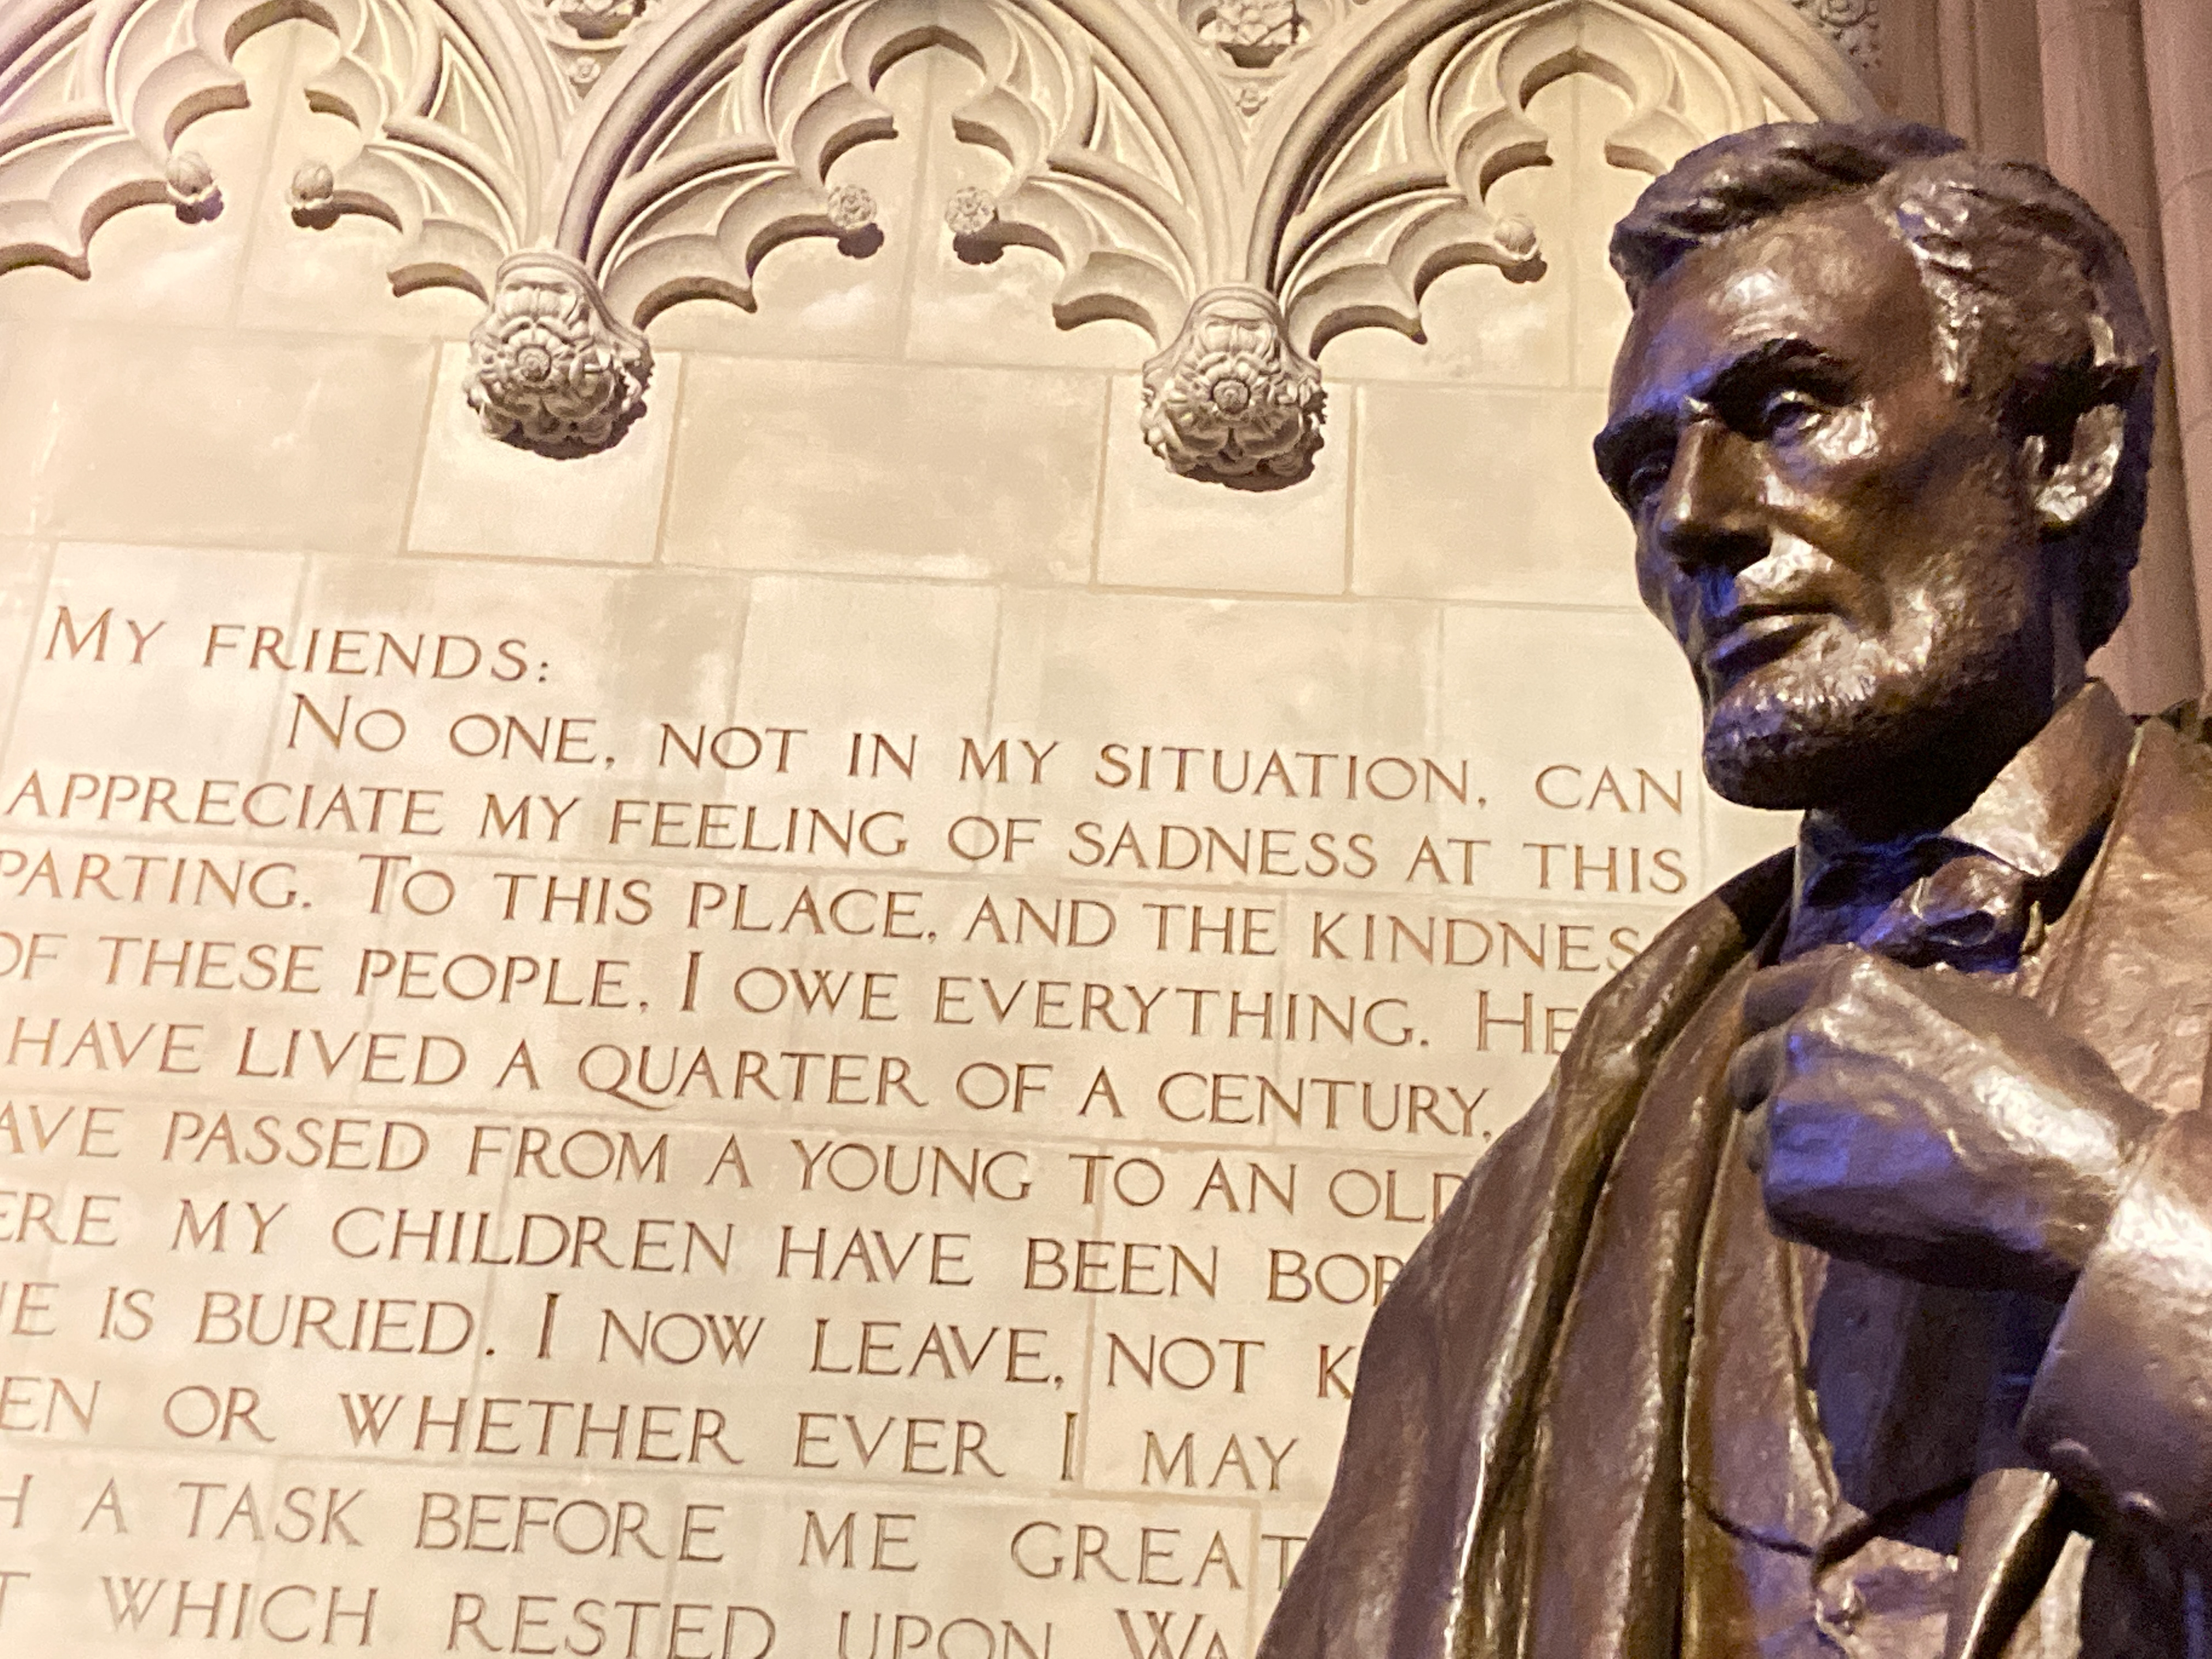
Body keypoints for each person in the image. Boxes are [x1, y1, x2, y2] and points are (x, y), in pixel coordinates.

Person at [1257, 120, 2212, 1658]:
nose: (1692, 517)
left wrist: (2100, 1203)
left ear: (2060, 450)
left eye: (1787, 407)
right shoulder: (1558, 1185)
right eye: (1646, 470)